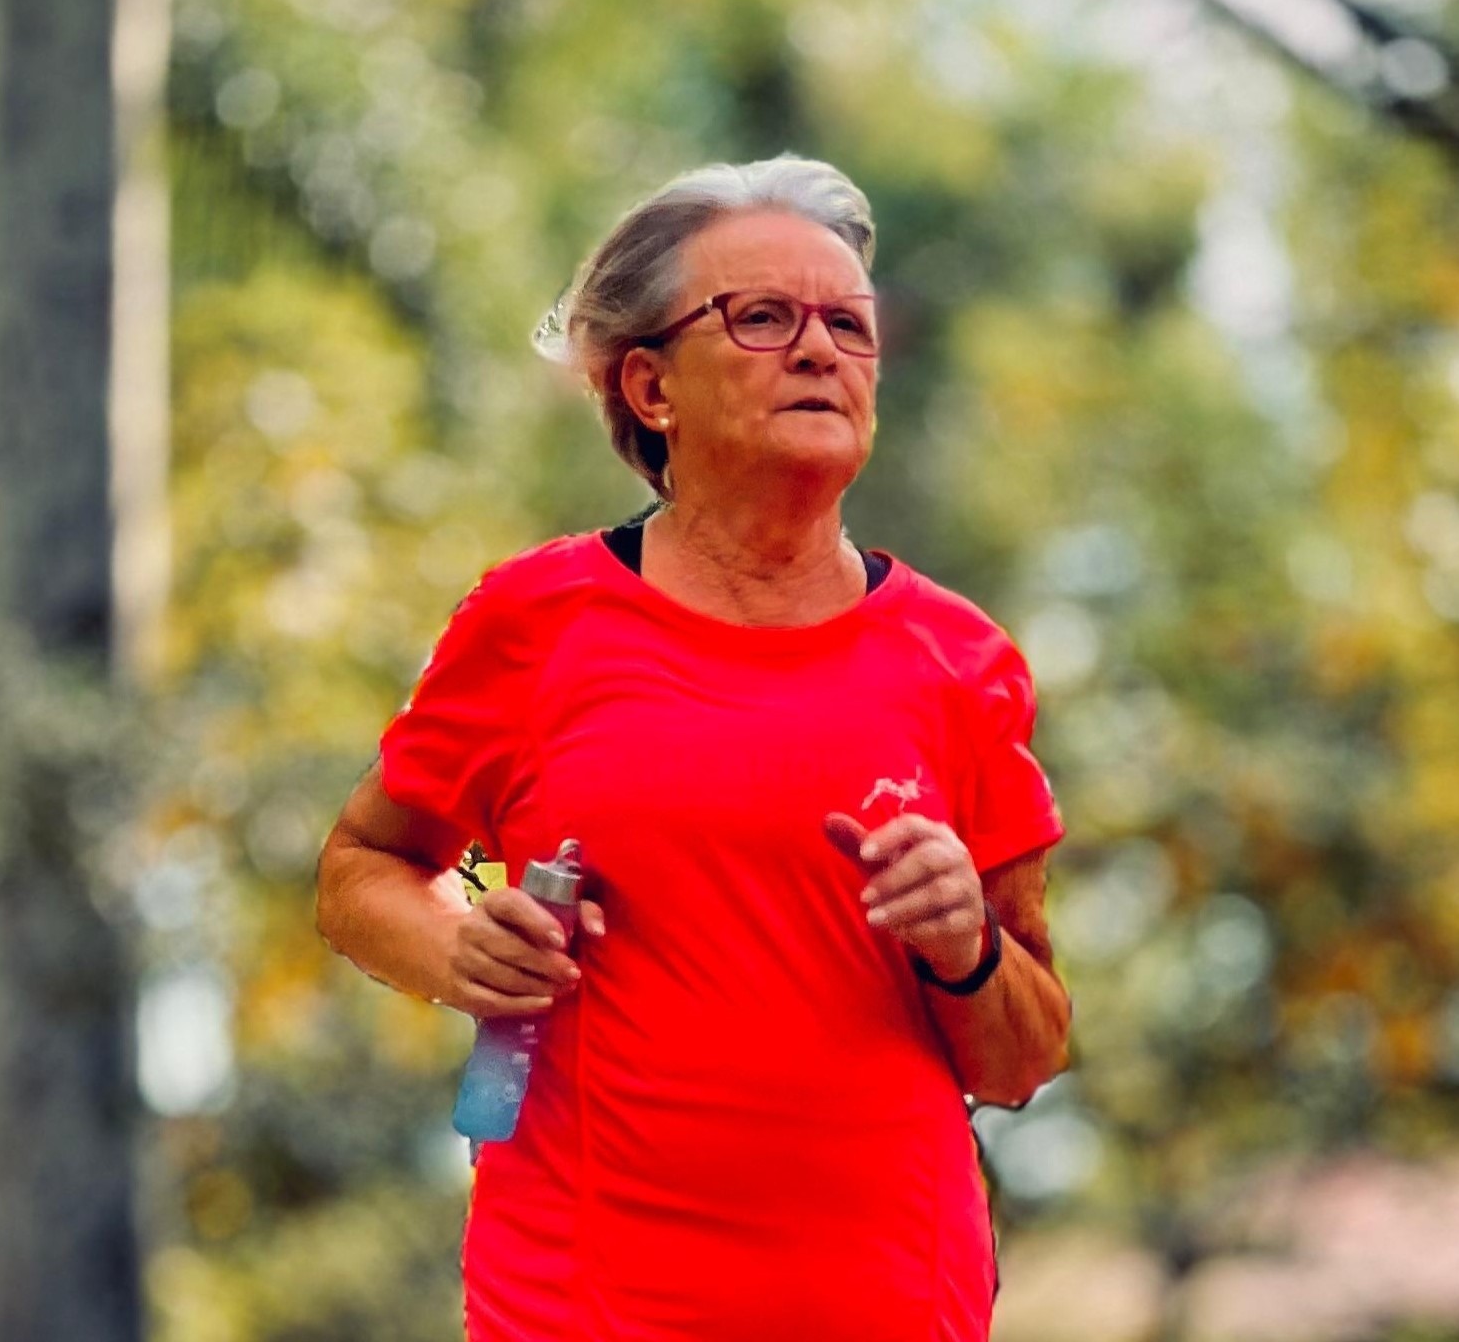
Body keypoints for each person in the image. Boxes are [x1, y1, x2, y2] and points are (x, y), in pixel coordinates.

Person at [315, 156, 1072, 1341]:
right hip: (584, 1304)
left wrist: (965, 947)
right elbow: (361, 868)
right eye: (763, 318)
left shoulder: (959, 660)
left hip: (887, 1304)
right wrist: (459, 947)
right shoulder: (535, 622)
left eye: (848, 326)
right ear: (650, 387)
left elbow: (1025, 1056)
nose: (820, 351)